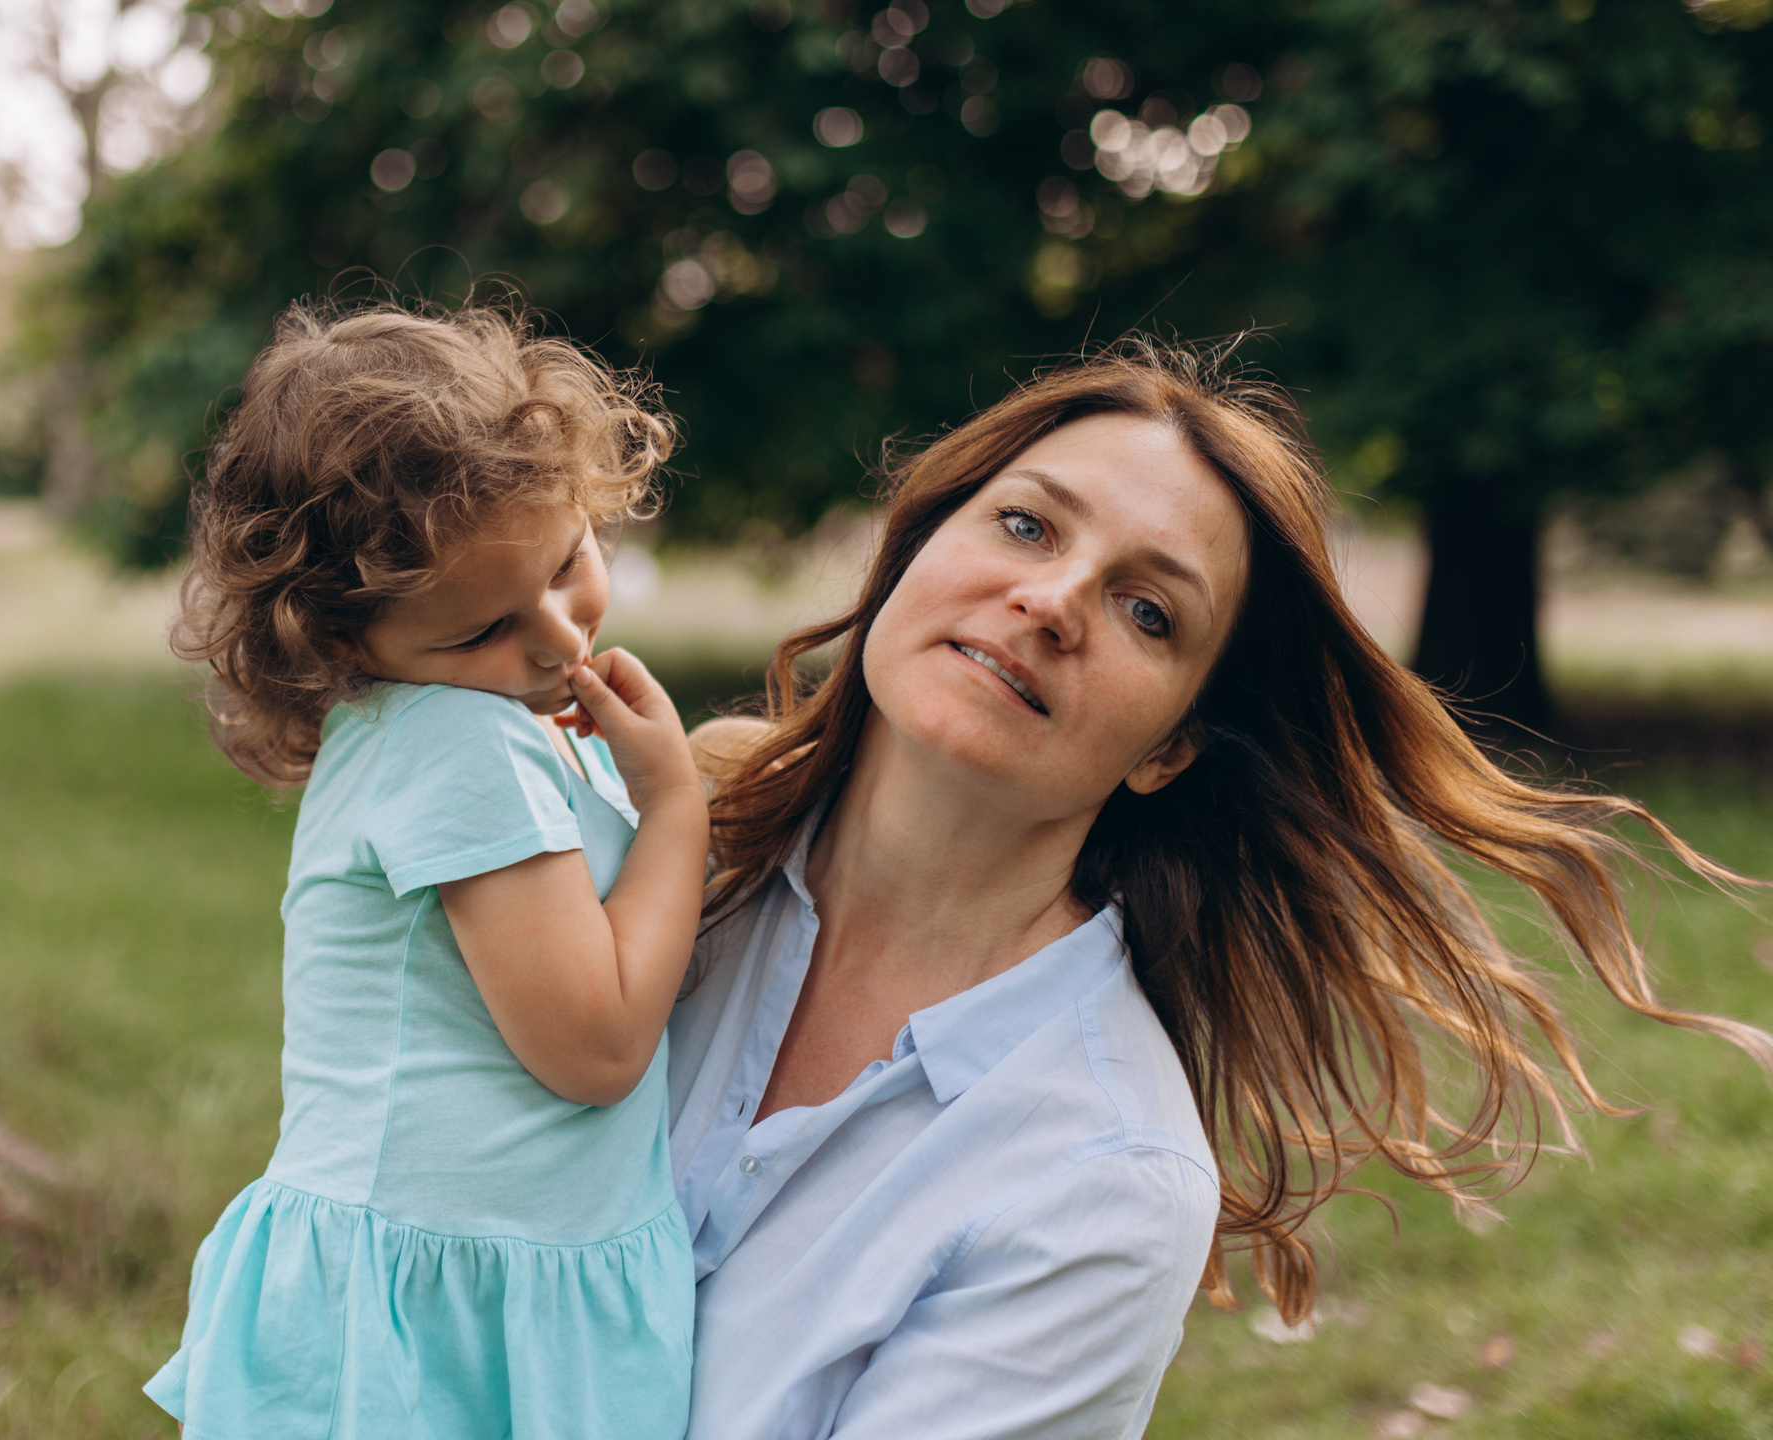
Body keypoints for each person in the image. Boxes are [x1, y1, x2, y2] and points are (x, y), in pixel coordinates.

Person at [668, 339, 1773, 1440]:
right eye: (1025, 524)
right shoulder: (661, 841)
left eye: (1149, 612)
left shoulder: (1099, 1179)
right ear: (914, 547)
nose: (1052, 599)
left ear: (1171, 748)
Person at [144, 302, 706, 1439]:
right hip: (438, 1320)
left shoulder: (486, 715)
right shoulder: (460, 741)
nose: (555, 639)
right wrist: (676, 808)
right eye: (481, 630)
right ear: (342, 644)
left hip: (494, 1267)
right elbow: (594, 1046)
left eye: (569, 562)